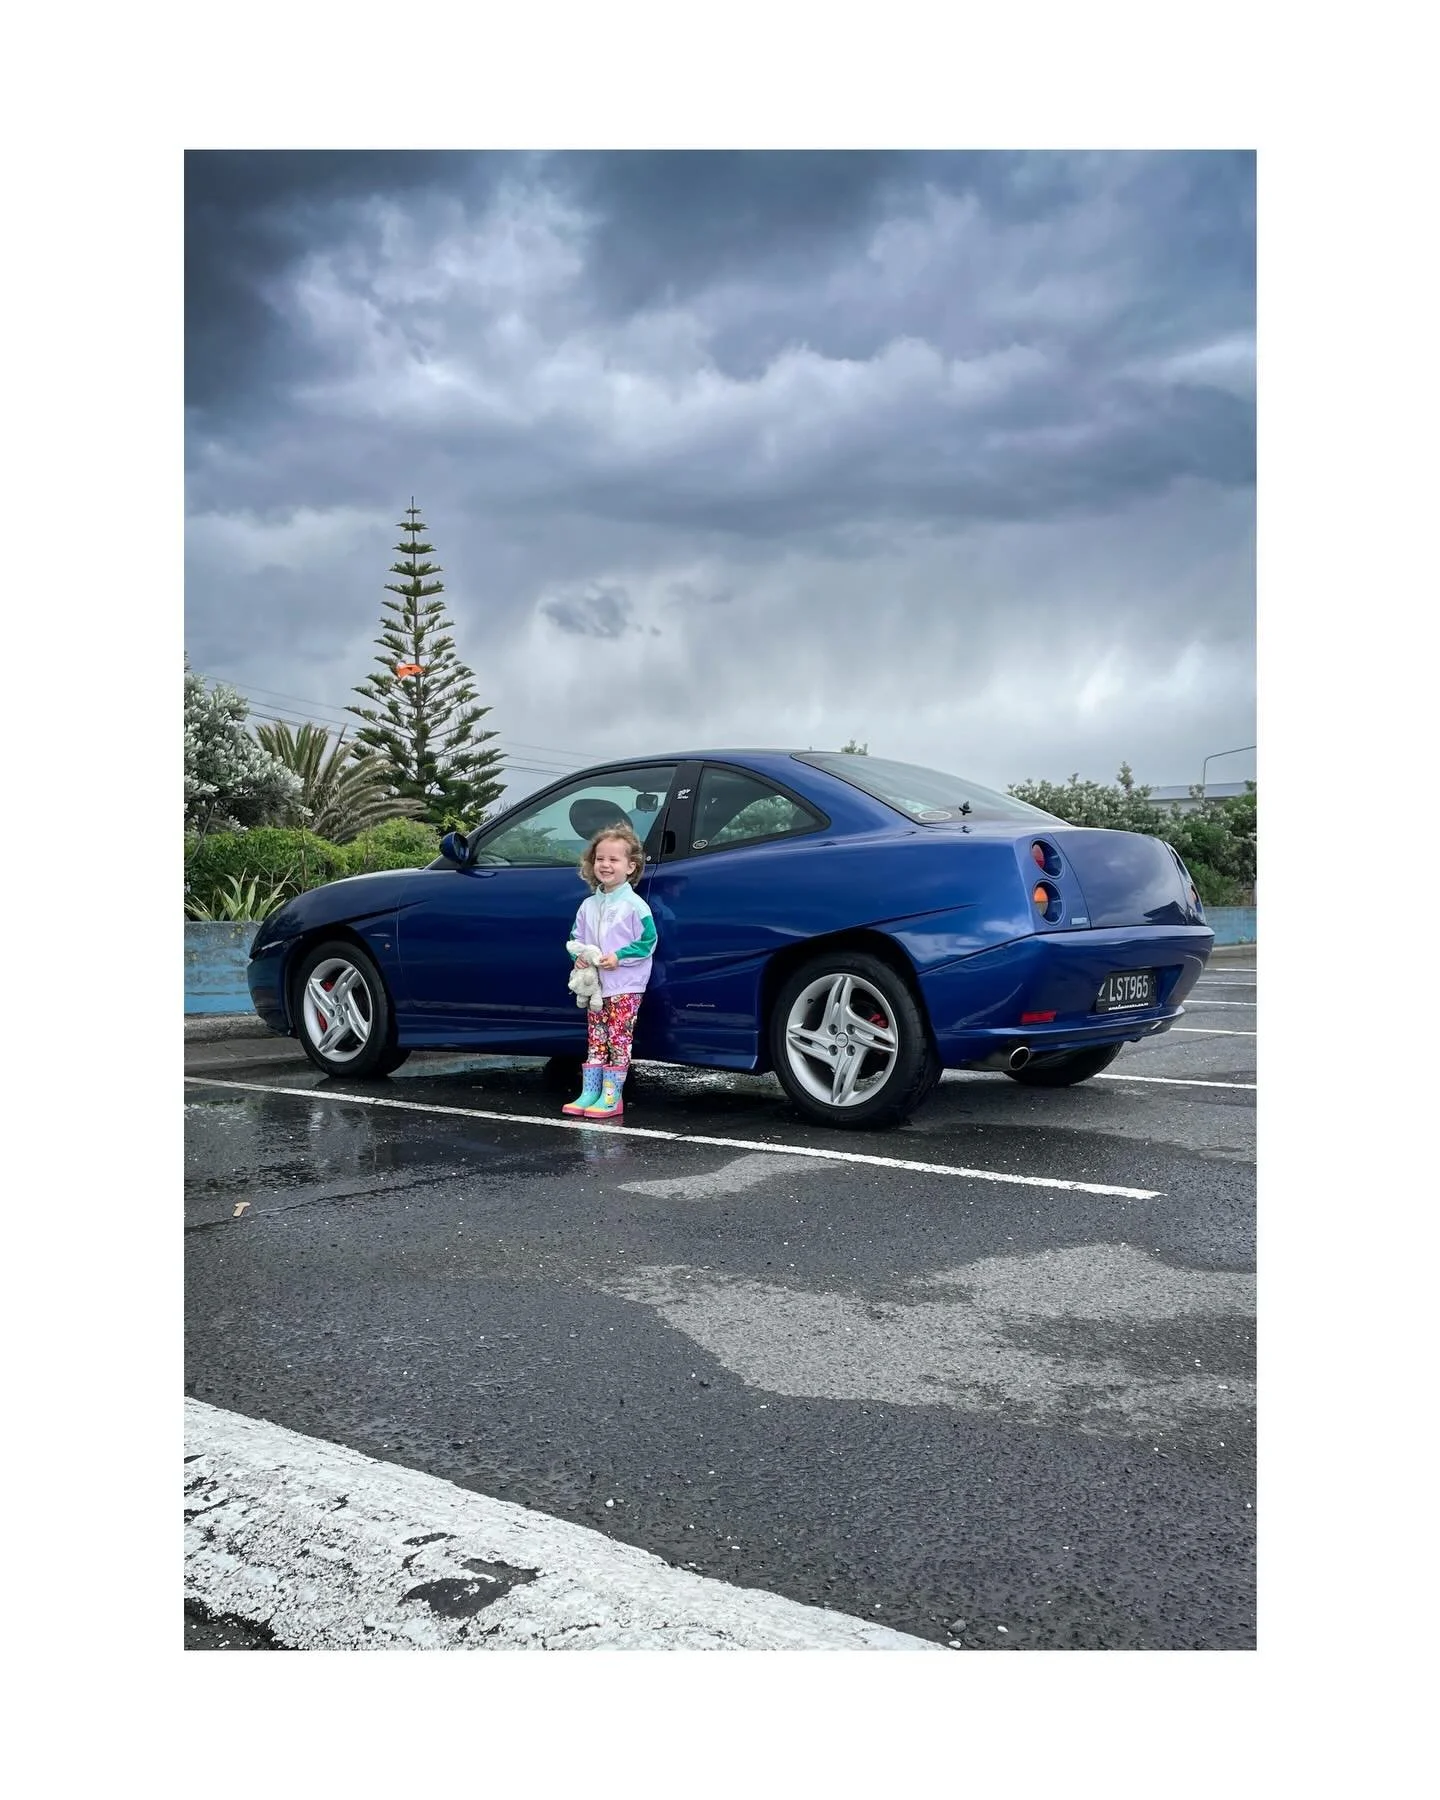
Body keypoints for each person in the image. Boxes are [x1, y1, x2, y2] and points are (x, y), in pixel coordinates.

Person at [562, 822, 658, 1120]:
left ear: (631, 866)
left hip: (625, 985)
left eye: (614, 859)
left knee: (618, 1040)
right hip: (596, 987)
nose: (605, 864)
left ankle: (611, 1096)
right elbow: (575, 938)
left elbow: (648, 942)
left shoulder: (635, 906)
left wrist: (619, 957)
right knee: (596, 1038)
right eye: (600, 858)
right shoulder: (588, 905)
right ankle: (589, 1092)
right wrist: (579, 956)